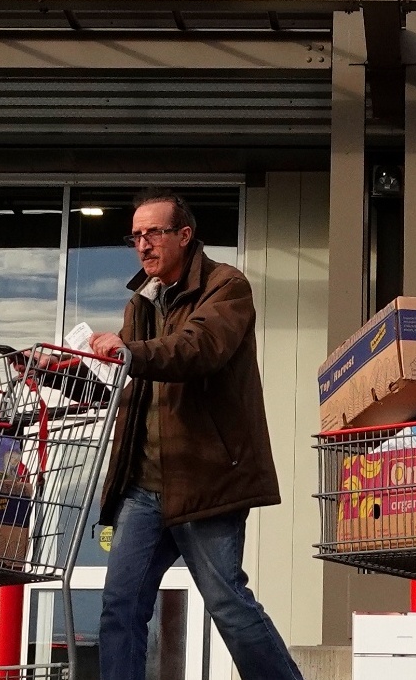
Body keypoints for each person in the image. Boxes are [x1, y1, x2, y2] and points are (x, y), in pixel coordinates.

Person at [90, 189, 303, 680]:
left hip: (204, 477)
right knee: (119, 607)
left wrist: (130, 353)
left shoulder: (226, 286)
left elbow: (197, 348)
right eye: (135, 236)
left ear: (184, 235)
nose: (142, 245)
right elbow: (124, 383)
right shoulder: (140, 303)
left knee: (227, 602)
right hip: (143, 487)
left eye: (153, 233)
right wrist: (56, 371)